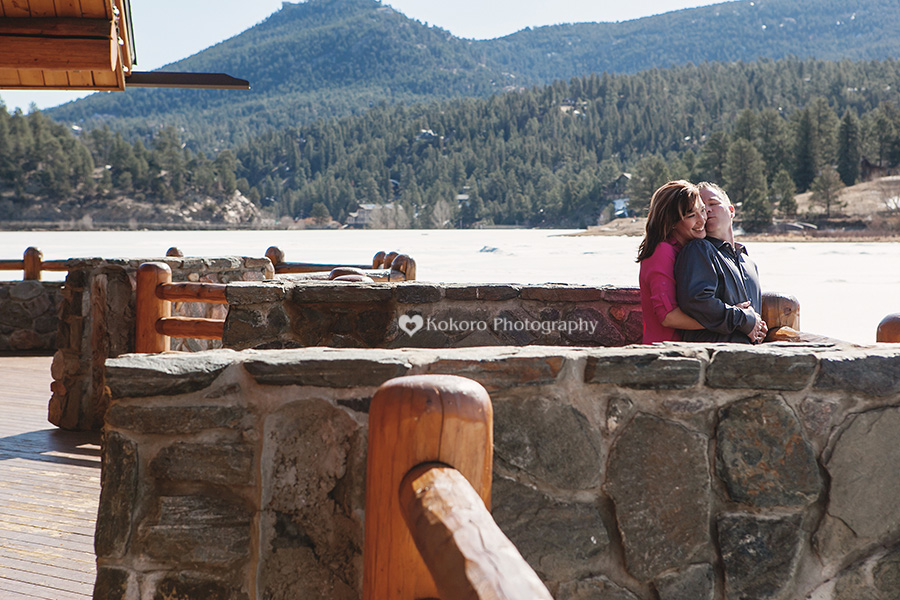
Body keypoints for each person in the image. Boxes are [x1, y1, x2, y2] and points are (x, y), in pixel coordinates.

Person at [674, 182, 768, 344]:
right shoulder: (699, 249)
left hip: (749, 357)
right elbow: (696, 301)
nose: (707, 210)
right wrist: (744, 319)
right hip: (713, 357)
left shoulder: (749, 263)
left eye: (713, 203)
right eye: (701, 208)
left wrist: (758, 326)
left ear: (731, 211)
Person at [637, 180, 709, 343]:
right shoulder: (661, 252)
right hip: (666, 353)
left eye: (703, 210)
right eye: (691, 215)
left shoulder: (691, 247)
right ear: (671, 222)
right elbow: (668, 317)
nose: (702, 220)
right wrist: (725, 322)